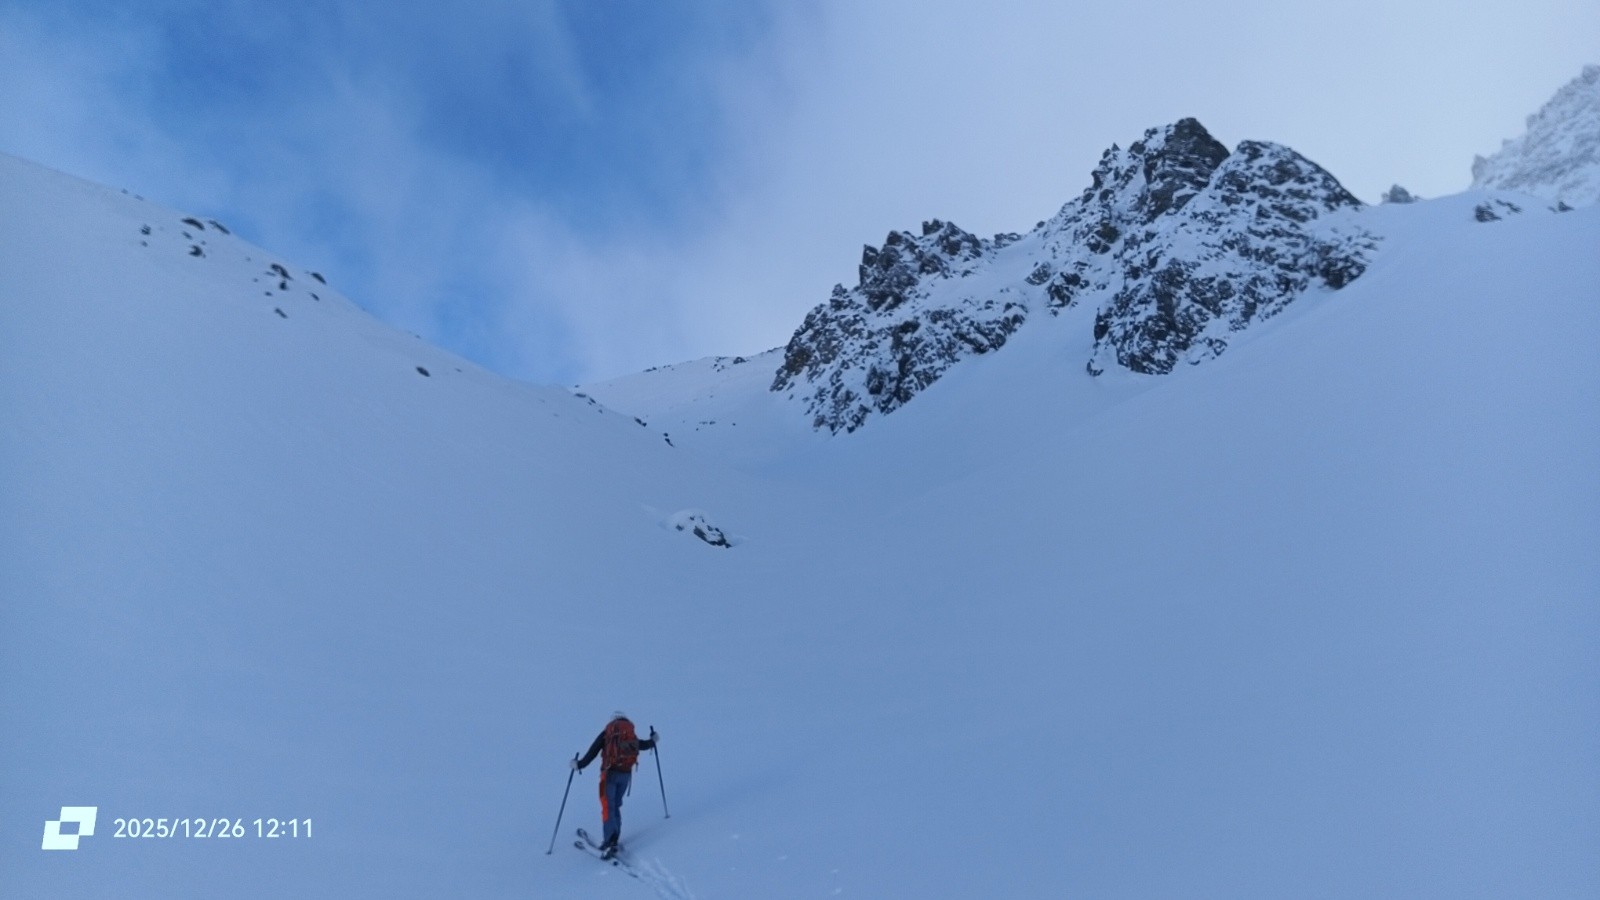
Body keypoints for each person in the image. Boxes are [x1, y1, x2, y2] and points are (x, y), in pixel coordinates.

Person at [572, 712, 657, 857]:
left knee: (607, 805)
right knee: (616, 805)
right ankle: (615, 836)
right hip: (625, 775)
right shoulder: (629, 733)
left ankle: (609, 840)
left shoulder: (607, 733)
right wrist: (653, 740)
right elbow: (641, 745)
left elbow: (593, 752)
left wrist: (579, 764)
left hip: (608, 775)